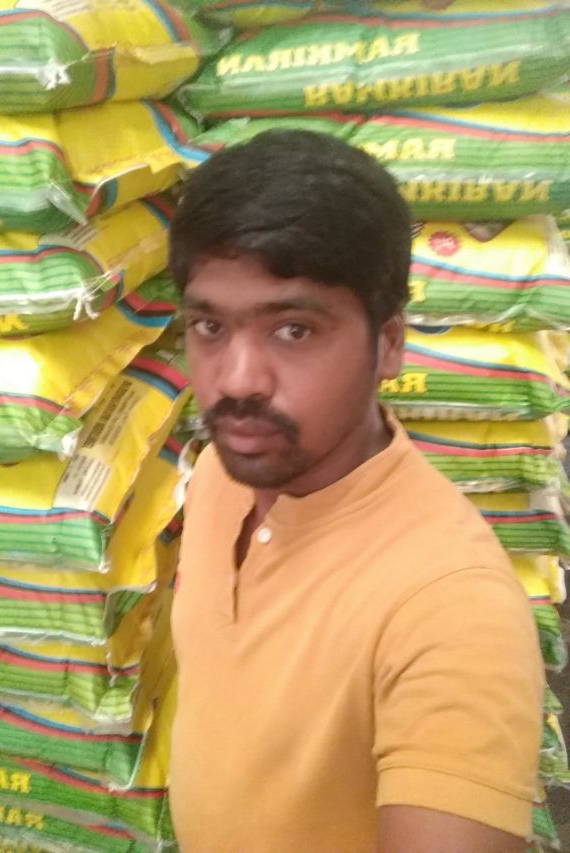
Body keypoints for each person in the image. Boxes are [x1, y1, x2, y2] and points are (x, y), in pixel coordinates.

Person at [168, 130, 544, 853]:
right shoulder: (221, 473)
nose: (237, 379)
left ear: (389, 343)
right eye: (209, 325)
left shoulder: (450, 607)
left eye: (294, 329)